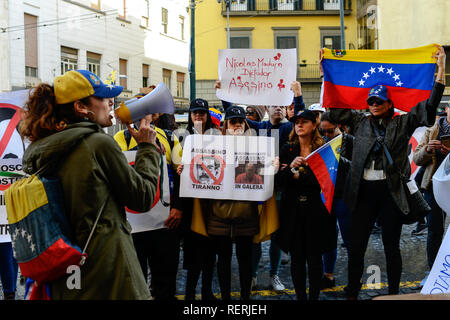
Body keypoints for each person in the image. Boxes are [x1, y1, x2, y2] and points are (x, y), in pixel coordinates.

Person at [18, 69, 161, 299]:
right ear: (81, 107)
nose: (110, 102)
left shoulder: (44, 148)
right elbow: (142, 197)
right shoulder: (97, 144)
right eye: (103, 98)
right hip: (109, 271)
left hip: (69, 272)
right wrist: (146, 148)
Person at [328, 45, 446, 299]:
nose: (373, 104)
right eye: (370, 101)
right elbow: (334, 110)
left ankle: (393, 293)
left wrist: (441, 72)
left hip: (390, 192)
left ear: (389, 103)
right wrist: (329, 73)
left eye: (379, 101)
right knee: (356, 247)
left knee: (392, 246)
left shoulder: (402, 123)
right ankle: (352, 292)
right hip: (361, 192)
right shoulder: (359, 122)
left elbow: (428, 107)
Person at [113, 94, 183, 300]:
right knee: (135, 279)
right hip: (133, 223)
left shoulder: (170, 137)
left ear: (154, 115)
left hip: (165, 222)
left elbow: (181, 173)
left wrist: (178, 207)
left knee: (166, 278)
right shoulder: (119, 138)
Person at [274, 108, 337, 300]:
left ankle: (314, 297)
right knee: (297, 259)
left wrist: (295, 175)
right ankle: (301, 297)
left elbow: (324, 181)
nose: (299, 125)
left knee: (314, 258)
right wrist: (291, 169)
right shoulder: (287, 149)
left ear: (314, 124)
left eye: (304, 121)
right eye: (296, 122)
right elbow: (278, 182)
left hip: (316, 212)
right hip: (292, 212)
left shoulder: (324, 149)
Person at [177, 98, 221, 300]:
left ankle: (206, 291)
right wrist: (178, 169)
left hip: (212, 202)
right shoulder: (182, 138)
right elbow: (175, 164)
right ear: (190, 115)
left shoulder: (219, 137)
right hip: (191, 203)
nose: (197, 116)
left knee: (211, 251)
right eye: (194, 113)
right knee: (193, 251)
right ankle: (189, 293)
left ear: (207, 116)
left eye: (201, 113)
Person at [413, 102, 450, 284]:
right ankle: (433, 271)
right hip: (433, 187)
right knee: (434, 231)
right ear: (447, 110)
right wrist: (428, 149)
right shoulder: (432, 131)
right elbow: (417, 159)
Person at [318, 112, 354, 290]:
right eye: (322, 131)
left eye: (330, 131)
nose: (326, 135)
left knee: (350, 240)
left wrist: (340, 159)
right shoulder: (320, 142)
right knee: (327, 237)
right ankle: (328, 275)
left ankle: (354, 280)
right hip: (326, 195)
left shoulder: (351, 141)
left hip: (345, 197)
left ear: (340, 127)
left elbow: (357, 167)